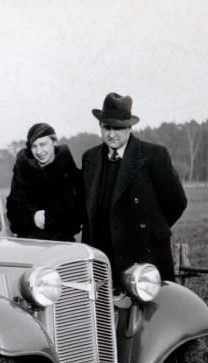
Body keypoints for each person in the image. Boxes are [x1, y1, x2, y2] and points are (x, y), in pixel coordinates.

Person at [80, 92, 187, 287]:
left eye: (118, 128)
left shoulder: (154, 155)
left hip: (143, 257)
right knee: (103, 313)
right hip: (101, 257)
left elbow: (176, 202)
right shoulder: (90, 158)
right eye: (107, 127)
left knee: (148, 314)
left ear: (129, 128)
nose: (111, 134)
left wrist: (149, 231)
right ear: (100, 127)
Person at [6, 122, 83, 242]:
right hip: (28, 245)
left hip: (63, 246)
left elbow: (77, 218)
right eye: (34, 146)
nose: (38, 151)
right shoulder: (22, 174)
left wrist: (49, 218)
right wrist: (32, 218)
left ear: (54, 142)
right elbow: (12, 212)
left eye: (43, 145)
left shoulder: (73, 175)